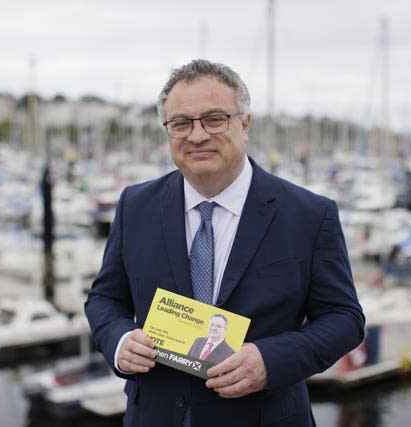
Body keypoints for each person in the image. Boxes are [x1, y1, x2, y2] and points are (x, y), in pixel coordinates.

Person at [85, 59, 365, 427]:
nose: (197, 135)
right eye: (181, 124)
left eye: (214, 119)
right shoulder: (135, 206)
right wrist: (120, 342)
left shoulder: (310, 215)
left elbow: (345, 319)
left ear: (244, 124)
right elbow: (105, 299)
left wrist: (270, 360)